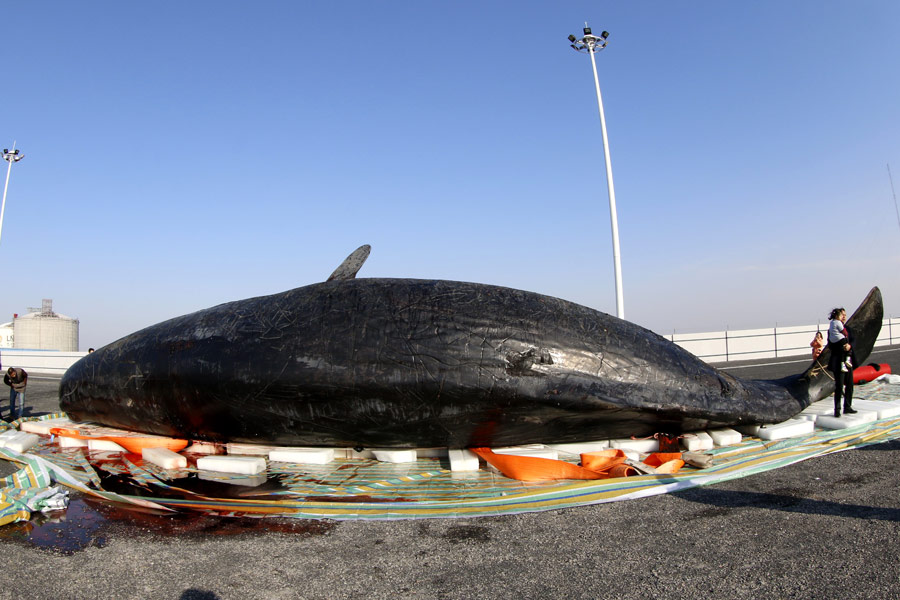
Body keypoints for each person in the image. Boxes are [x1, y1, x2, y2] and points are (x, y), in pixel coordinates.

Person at [826, 308, 857, 418]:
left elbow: (853, 340)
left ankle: (847, 407)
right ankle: (837, 409)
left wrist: (849, 346)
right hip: (838, 360)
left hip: (848, 361)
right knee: (839, 386)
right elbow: (830, 345)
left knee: (850, 384)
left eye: (845, 314)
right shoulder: (832, 329)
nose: (844, 316)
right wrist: (841, 346)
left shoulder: (847, 328)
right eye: (842, 314)